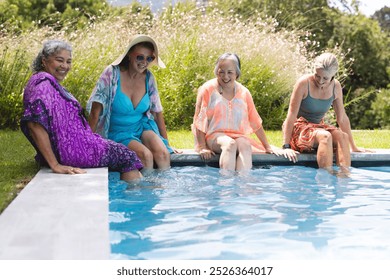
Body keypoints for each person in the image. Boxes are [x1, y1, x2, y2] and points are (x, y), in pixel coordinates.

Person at [20, 40, 143, 182]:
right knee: (126, 156)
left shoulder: (44, 81)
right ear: (44, 61)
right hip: (74, 150)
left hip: (73, 145)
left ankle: (143, 190)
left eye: (68, 61)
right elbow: (35, 125)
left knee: (126, 156)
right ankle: (136, 198)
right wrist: (55, 164)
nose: (64, 66)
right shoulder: (43, 86)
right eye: (59, 60)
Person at [87, 34, 174, 175]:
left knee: (163, 154)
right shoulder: (111, 74)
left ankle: (161, 192)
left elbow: (157, 112)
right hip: (117, 130)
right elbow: (95, 111)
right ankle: (143, 192)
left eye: (149, 58)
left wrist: (166, 143)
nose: (144, 62)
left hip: (141, 126)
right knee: (145, 156)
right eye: (140, 57)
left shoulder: (149, 78)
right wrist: (88, 143)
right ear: (129, 55)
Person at [192, 53, 289, 172]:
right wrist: (202, 147)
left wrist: (267, 146)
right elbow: (199, 119)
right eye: (221, 72)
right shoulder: (207, 89)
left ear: (237, 74)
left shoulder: (244, 92)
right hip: (214, 135)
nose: (225, 76)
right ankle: (226, 185)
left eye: (230, 72)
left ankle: (243, 183)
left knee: (245, 146)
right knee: (230, 144)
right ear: (216, 71)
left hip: (238, 135)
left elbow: (255, 121)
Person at [282, 52, 371, 171]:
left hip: (318, 127)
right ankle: (325, 180)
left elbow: (342, 118)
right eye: (317, 75)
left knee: (342, 136)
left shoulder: (336, 87)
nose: (320, 80)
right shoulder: (303, 83)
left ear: (333, 76)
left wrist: (353, 147)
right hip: (299, 129)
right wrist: (286, 146)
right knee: (325, 136)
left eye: (325, 78)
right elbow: (291, 115)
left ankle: (344, 180)